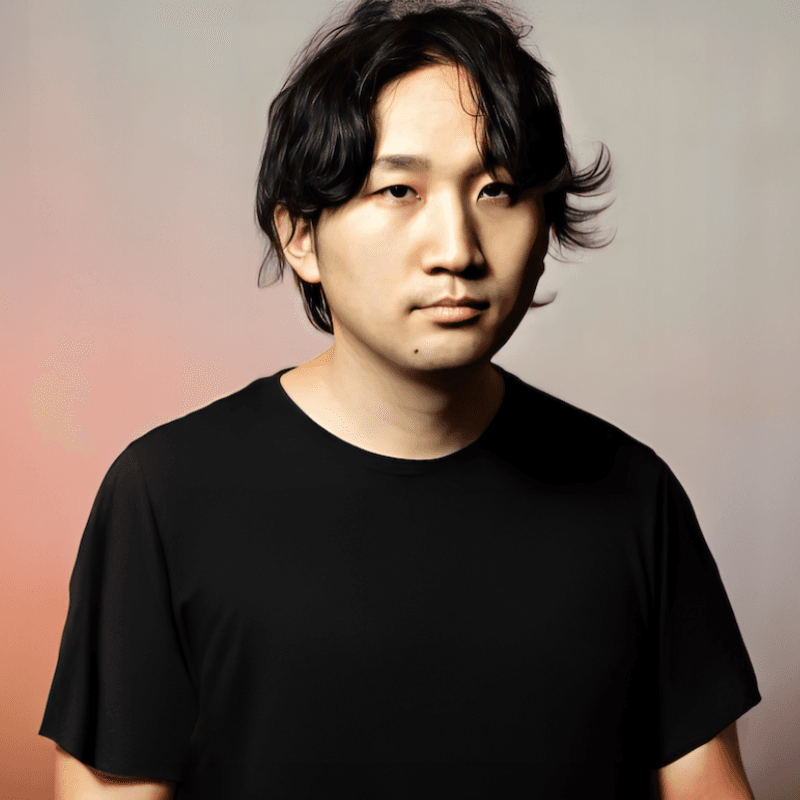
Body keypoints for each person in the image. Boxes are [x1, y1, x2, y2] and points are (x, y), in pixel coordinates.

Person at [39, 1, 761, 798]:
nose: (456, 249)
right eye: (398, 190)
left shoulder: (633, 497)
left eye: (497, 189)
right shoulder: (167, 496)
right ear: (301, 236)